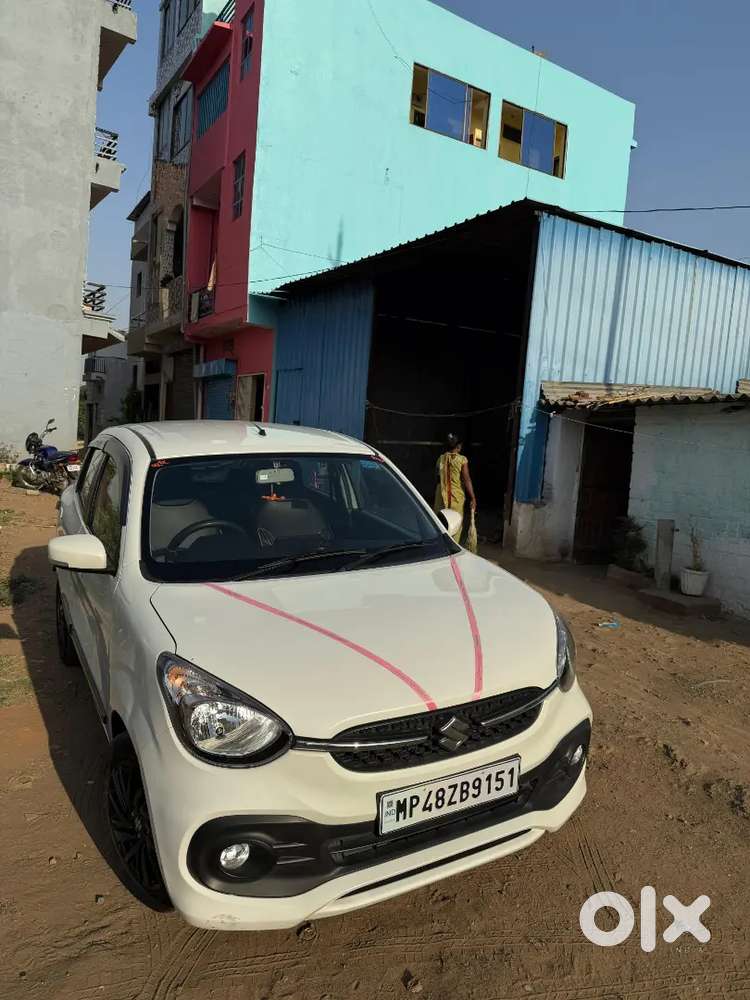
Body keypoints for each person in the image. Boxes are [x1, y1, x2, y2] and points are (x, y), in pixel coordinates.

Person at [434, 432, 477, 542]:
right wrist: (473, 497)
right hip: (455, 497)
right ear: (458, 446)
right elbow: (466, 479)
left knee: (440, 523)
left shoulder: (440, 459)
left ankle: (441, 548)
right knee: (455, 524)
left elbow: (437, 477)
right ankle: (453, 548)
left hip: (441, 496)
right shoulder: (462, 460)